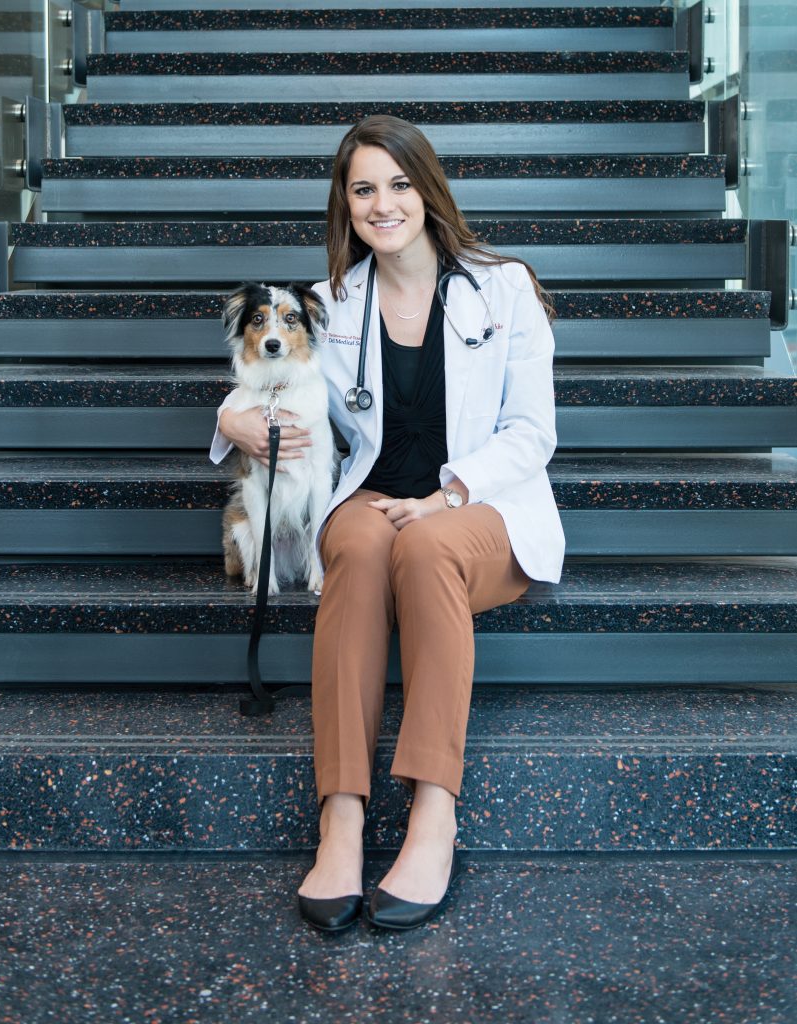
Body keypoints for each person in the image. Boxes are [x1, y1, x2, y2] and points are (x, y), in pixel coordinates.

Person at [209, 115, 564, 931]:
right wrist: (230, 419)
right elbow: (273, 379)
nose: (383, 203)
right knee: (365, 544)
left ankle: (432, 814)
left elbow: (532, 434)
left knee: (427, 544)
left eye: (398, 184)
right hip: (373, 497)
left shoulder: (503, 287)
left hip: (479, 508)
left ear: (426, 189)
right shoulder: (329, 304)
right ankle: (340, 817)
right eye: (363, 188)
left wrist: (446, 496)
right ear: (345, 203)